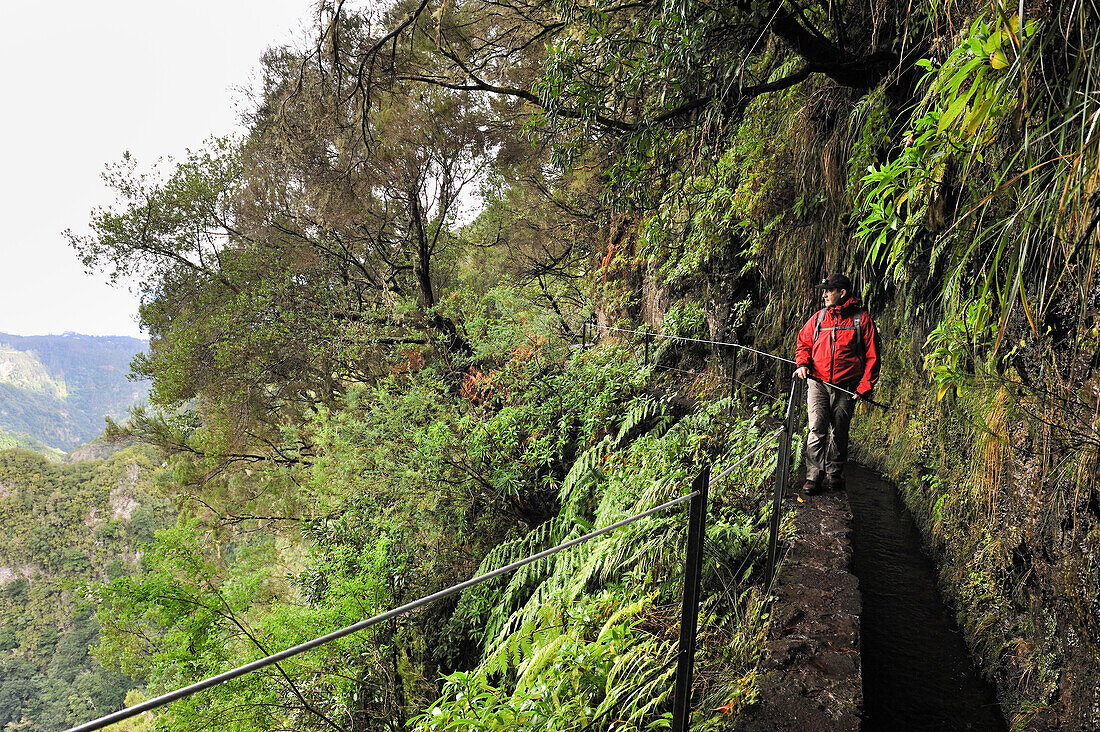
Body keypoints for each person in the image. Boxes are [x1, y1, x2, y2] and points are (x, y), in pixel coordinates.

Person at [793, 273, 880, 494]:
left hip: (847, 387)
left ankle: (835, 473)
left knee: (839, 431)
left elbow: (872, 357)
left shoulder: (862, 320)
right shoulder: (819, 318)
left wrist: (864, 388)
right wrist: (802, 364)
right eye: (824, 290)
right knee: (816, 429)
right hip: (818, 383)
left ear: (842, 292)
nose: (824, 295)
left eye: (828, 290)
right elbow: (803, 343)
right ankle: (813, 476)